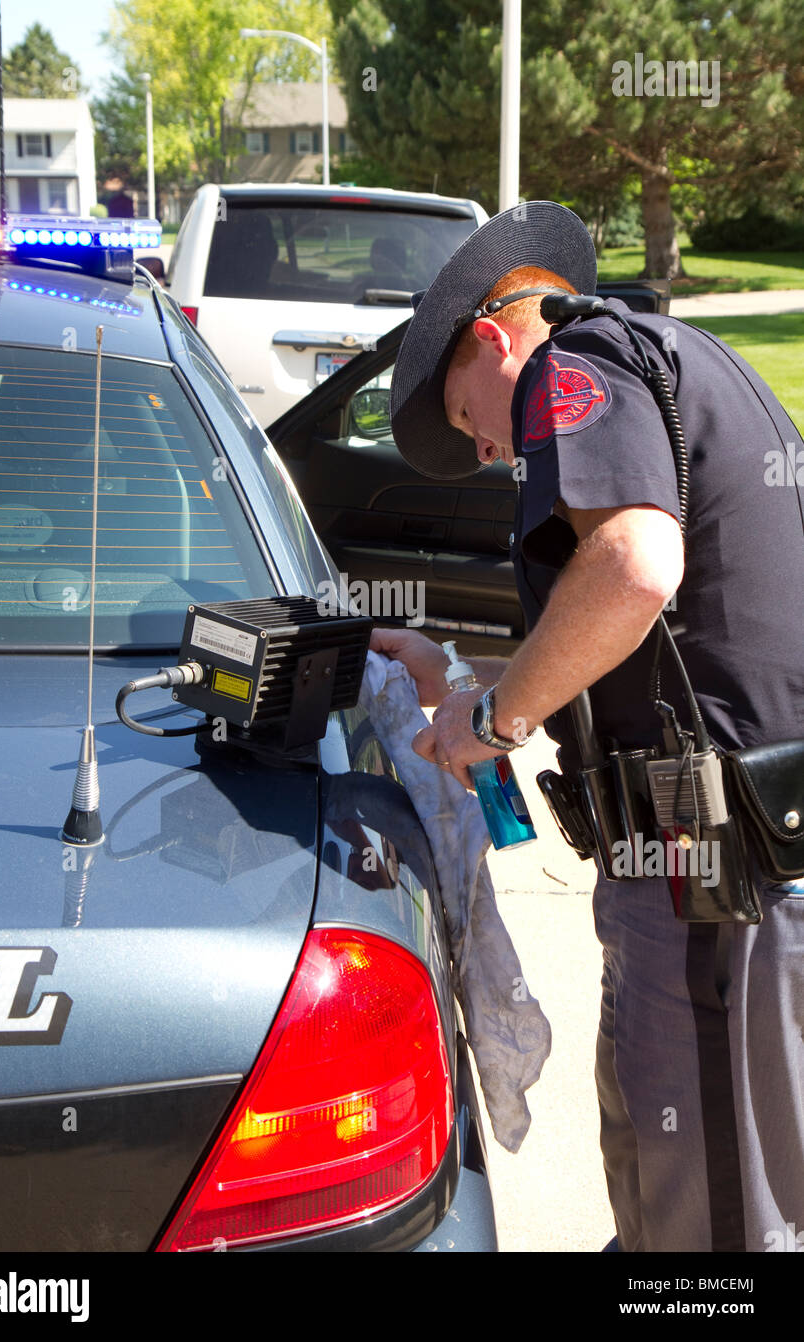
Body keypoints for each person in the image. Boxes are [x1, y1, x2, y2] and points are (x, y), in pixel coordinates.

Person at [372, 200, 804, 1253]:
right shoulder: (677, 353)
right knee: (693, 1212)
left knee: (706, 1238)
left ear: (490, 335)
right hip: (736, 869)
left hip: (711, 884)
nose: (481, 448)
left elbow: (634, 568)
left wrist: (497, 718)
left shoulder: (580, 365)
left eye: (463, 419)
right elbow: (646, 637)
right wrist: (456, 677)